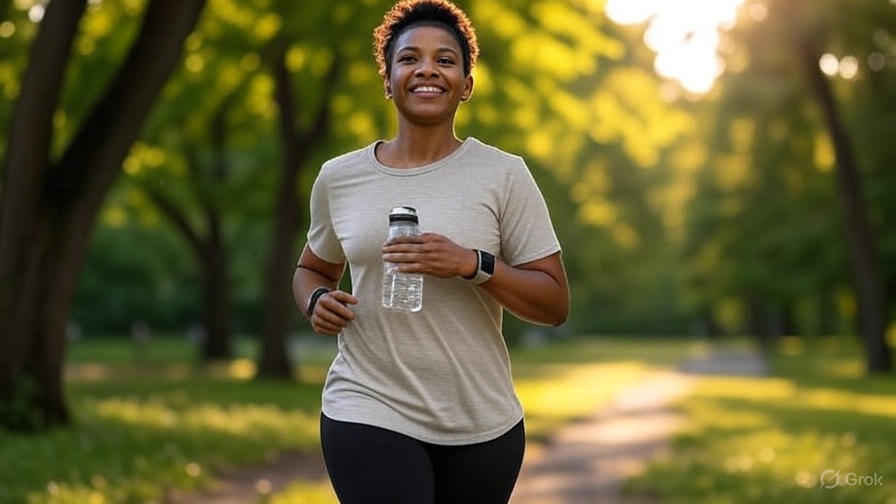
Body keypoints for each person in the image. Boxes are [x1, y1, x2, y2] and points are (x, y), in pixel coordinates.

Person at [293, 1, 569, 502]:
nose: (426, 69)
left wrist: (475, 265)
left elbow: (553, 303)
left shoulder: (504, 175)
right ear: (388, 78)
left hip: (481, 421)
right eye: (409, 59)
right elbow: (312, 268)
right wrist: (316, 301)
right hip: (367, 402)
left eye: (445, 60)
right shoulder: (339, 177)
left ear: (466, 84)